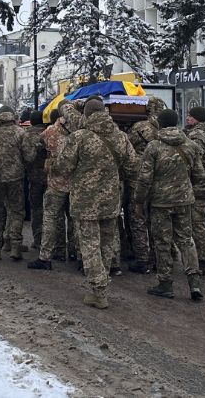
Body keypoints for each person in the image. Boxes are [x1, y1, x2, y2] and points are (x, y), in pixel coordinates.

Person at [52, 97, 138, 309]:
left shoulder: (79, 137)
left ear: (87, 115)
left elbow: (64, 166)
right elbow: (133, 167)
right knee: (107, 244)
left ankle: (98, 291)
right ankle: (102, 283)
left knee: (90, 245)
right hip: (111, 200)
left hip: (85, 200)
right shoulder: (121, 137)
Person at [139, 108, 205, 301]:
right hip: (184, 200)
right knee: (186, 240)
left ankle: (165, 283)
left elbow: (144, 178)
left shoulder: (153, 147)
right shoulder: (191, 145)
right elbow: (200, 174)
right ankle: (194, 283)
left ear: (159, 123)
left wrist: (139, 199)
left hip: (160, 202)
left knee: (162, 242)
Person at [28, 104, 80, 270]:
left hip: (56, 182)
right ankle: (75, 252)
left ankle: (47, 256)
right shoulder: (80, 132)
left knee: (51, 218)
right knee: (74, 219)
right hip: (75, 183)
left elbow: (38, 146)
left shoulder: (50, 131)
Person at [125, 97, 165, 274]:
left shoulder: (140, 127)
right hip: (160, 179)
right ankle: (159, 258)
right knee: (156, 220)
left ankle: (142, 258)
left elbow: (128, 147)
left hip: (139, 178)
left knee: (138, 217)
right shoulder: (167, 128)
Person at [0, 107, 28, 261]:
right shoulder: (19, 132)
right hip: (15, 178)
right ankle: (15, 246)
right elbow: (28, 156)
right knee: (16, 211)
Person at [185, 106, 205, 275]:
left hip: (200, 186)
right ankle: (202, 258)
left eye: (190, 116)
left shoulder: (198, 135)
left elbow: (191, 155)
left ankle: (204, 261)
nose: (187, 118)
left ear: (196, 119)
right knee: (199, 223)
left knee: (197, 225)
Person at [22, 110, 48, 252]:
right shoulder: (50, 133)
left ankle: (38, 240)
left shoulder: (27, 135)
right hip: (50, 177)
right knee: (52, 211)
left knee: (36, 209)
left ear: (30, 121)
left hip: (34, 178)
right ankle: (54, 241)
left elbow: (26, 157)